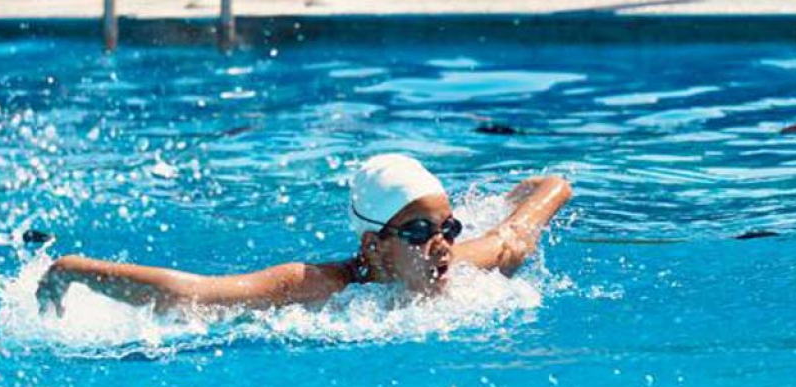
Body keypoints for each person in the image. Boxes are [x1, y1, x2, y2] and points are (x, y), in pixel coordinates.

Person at [35, 154, 572, 316]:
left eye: (449, 228)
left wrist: (531, 190)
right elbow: (192, 294)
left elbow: (523, 226)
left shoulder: (462, 264)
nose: (443, 247)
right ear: (372, 246)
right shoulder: (318, 286)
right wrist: (75, 269)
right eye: (418, 232)